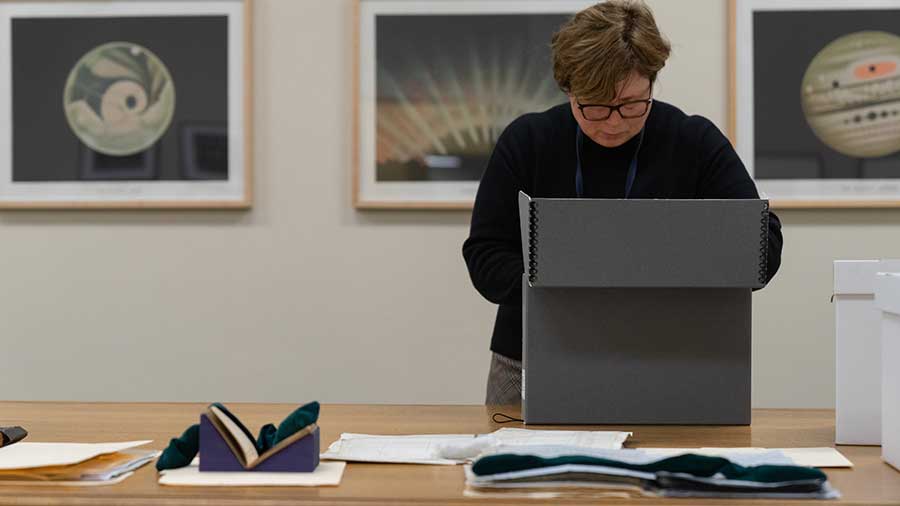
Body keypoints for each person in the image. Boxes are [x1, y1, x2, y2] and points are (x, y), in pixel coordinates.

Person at [462, 0, 784, 405]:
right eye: (594, 106)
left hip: (673, 359)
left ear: (653, 80)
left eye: (633, 104)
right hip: (531, 356)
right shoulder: (529, 142)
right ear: (568, 88)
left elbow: (763, 246)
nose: (614, 122)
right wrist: (561, 281)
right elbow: (485, 254)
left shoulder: (693, 142)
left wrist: (665, 270)